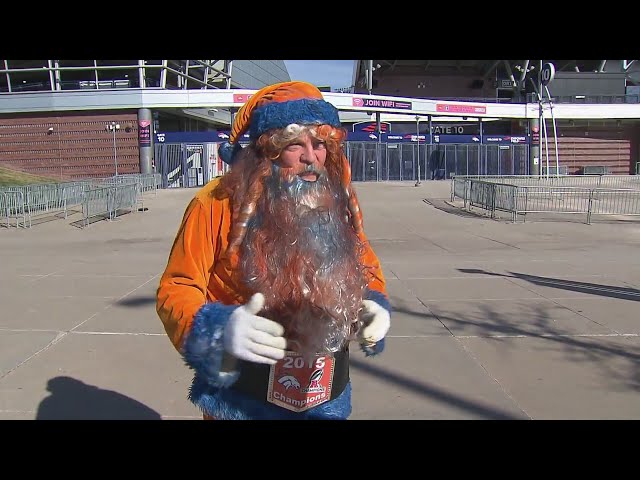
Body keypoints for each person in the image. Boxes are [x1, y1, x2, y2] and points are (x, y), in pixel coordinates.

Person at [156, 81, 391, 420]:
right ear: (267, 151)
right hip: (243, 402)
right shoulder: (216, 203)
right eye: (295, 144)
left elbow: (366, 268)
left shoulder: (333, 200)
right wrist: (220, 330)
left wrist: (374, 306)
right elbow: (177, 288)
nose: (311, 157)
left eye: (320, 143)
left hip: (323, 398)